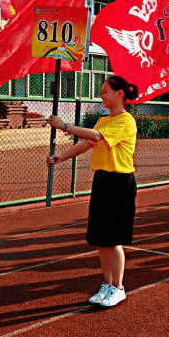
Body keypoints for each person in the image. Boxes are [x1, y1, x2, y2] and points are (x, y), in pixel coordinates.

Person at [47, 75, 138, 308]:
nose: (102, 95)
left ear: (120, 94)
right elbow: (86, 143)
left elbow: (96, 137)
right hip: (103, 179)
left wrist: (65, 126)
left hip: (120, 181)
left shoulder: (126, 121)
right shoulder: (103, 120)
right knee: (101, 238)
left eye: (106, 91)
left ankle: (118, 287)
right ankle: (107, 284)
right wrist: (61, 157)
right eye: (102, 91)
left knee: (113, 238)